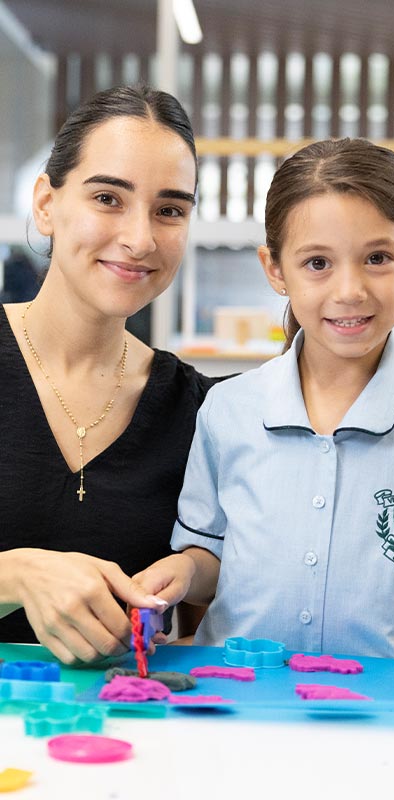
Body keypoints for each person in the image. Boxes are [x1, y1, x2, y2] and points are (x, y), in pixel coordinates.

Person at [132, 137, 394, 687]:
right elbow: (209, 559)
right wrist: (182, 572)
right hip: (238, 699)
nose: (349, 290)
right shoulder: (227, 410)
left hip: (391, 704)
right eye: (317, 263)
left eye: (378, 258)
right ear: (275, 269)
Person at [0, 84, 221, 664]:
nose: (141, 238)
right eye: (108, 198)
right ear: (47, 203)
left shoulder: (202, 411)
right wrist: (17, 574)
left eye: (170, 210)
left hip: (124, 736)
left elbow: (209, 610)